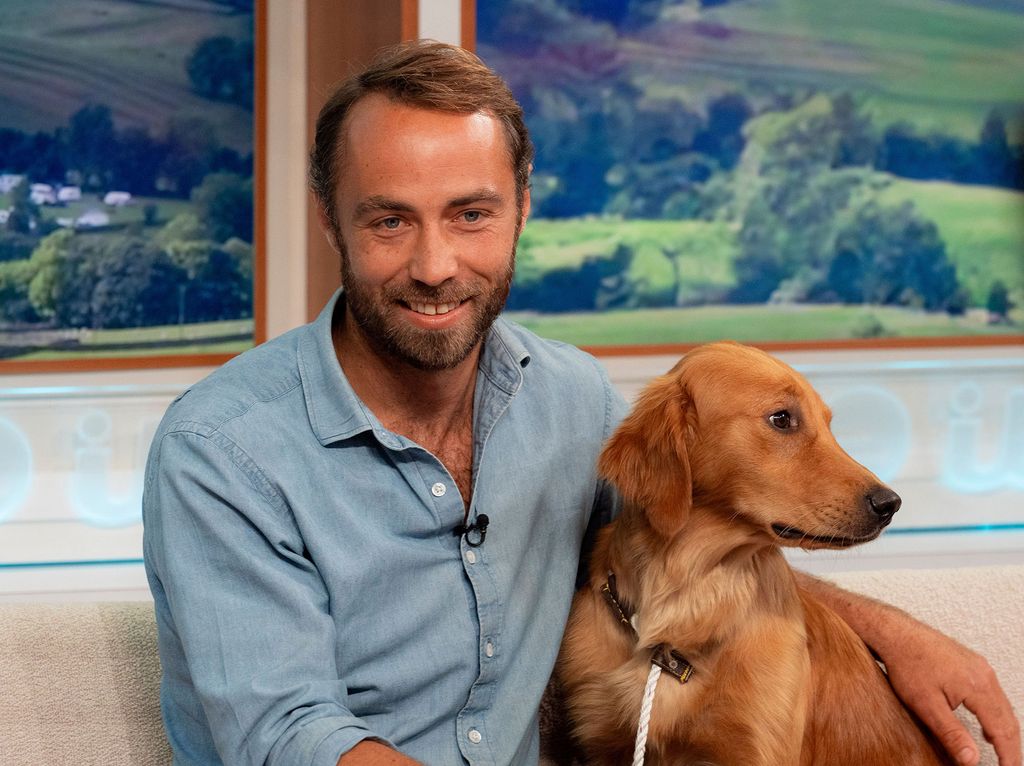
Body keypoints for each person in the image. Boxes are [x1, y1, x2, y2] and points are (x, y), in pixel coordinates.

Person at [142, 40, 1021, 766]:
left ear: (522, 208)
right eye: (389, 221)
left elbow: (684, 548)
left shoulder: (572, 400)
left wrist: (889, 635)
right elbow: (286, 735)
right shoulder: (222, 451)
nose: (437, 263)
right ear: (332, 222)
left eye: (471, 214)